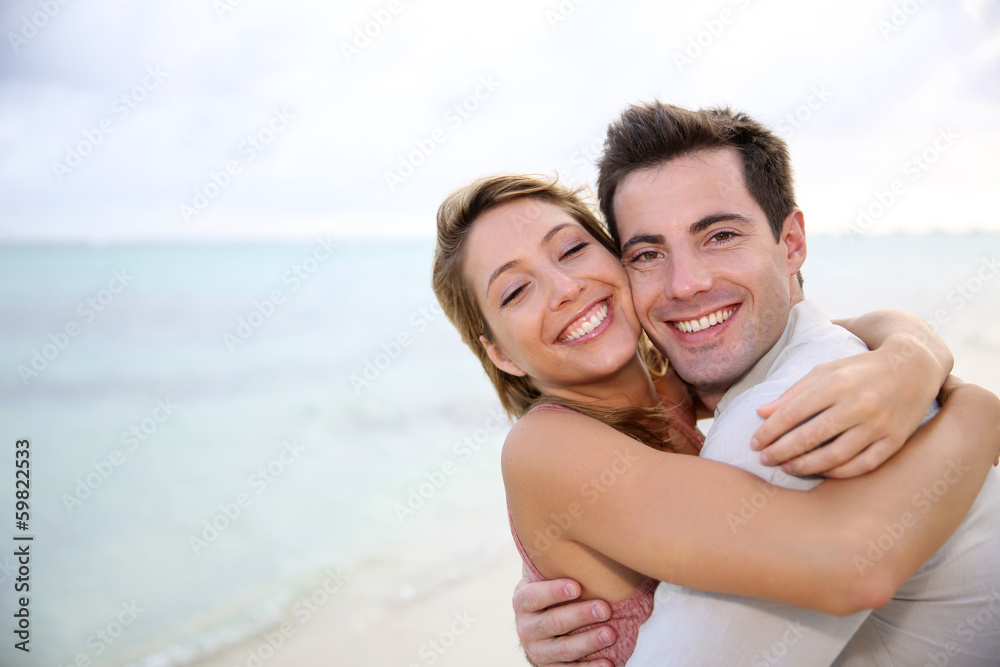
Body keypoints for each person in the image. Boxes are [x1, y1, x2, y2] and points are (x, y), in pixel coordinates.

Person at [432, 171, 1000, 664]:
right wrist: (977, 410)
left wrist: (913, 353)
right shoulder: (544, 447)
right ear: (500, 353)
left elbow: (827, 328)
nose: (564, 288)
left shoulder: (674, 390)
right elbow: (853, 566)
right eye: (515, 291)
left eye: (572, 250)